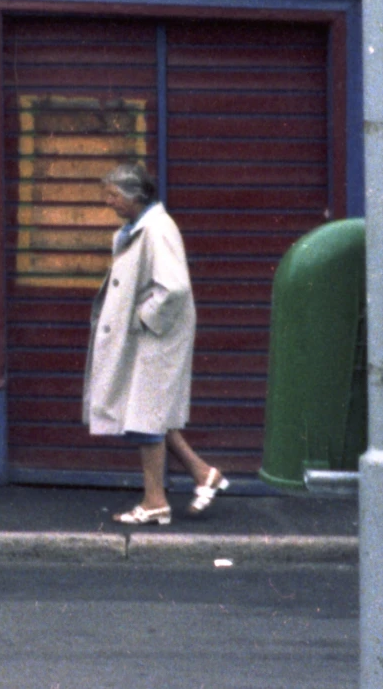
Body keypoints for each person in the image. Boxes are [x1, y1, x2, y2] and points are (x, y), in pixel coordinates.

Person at [84, 161, 227, 525]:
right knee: (148, 414)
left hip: (156, 337)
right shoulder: (137, 228)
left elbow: (174, 286)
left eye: (113, 195)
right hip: (149, 338)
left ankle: (155, 502)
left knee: (145, 419)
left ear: (134, 197)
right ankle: (203, 473)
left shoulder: (157, 229)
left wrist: (142, 318)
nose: (108, 202)